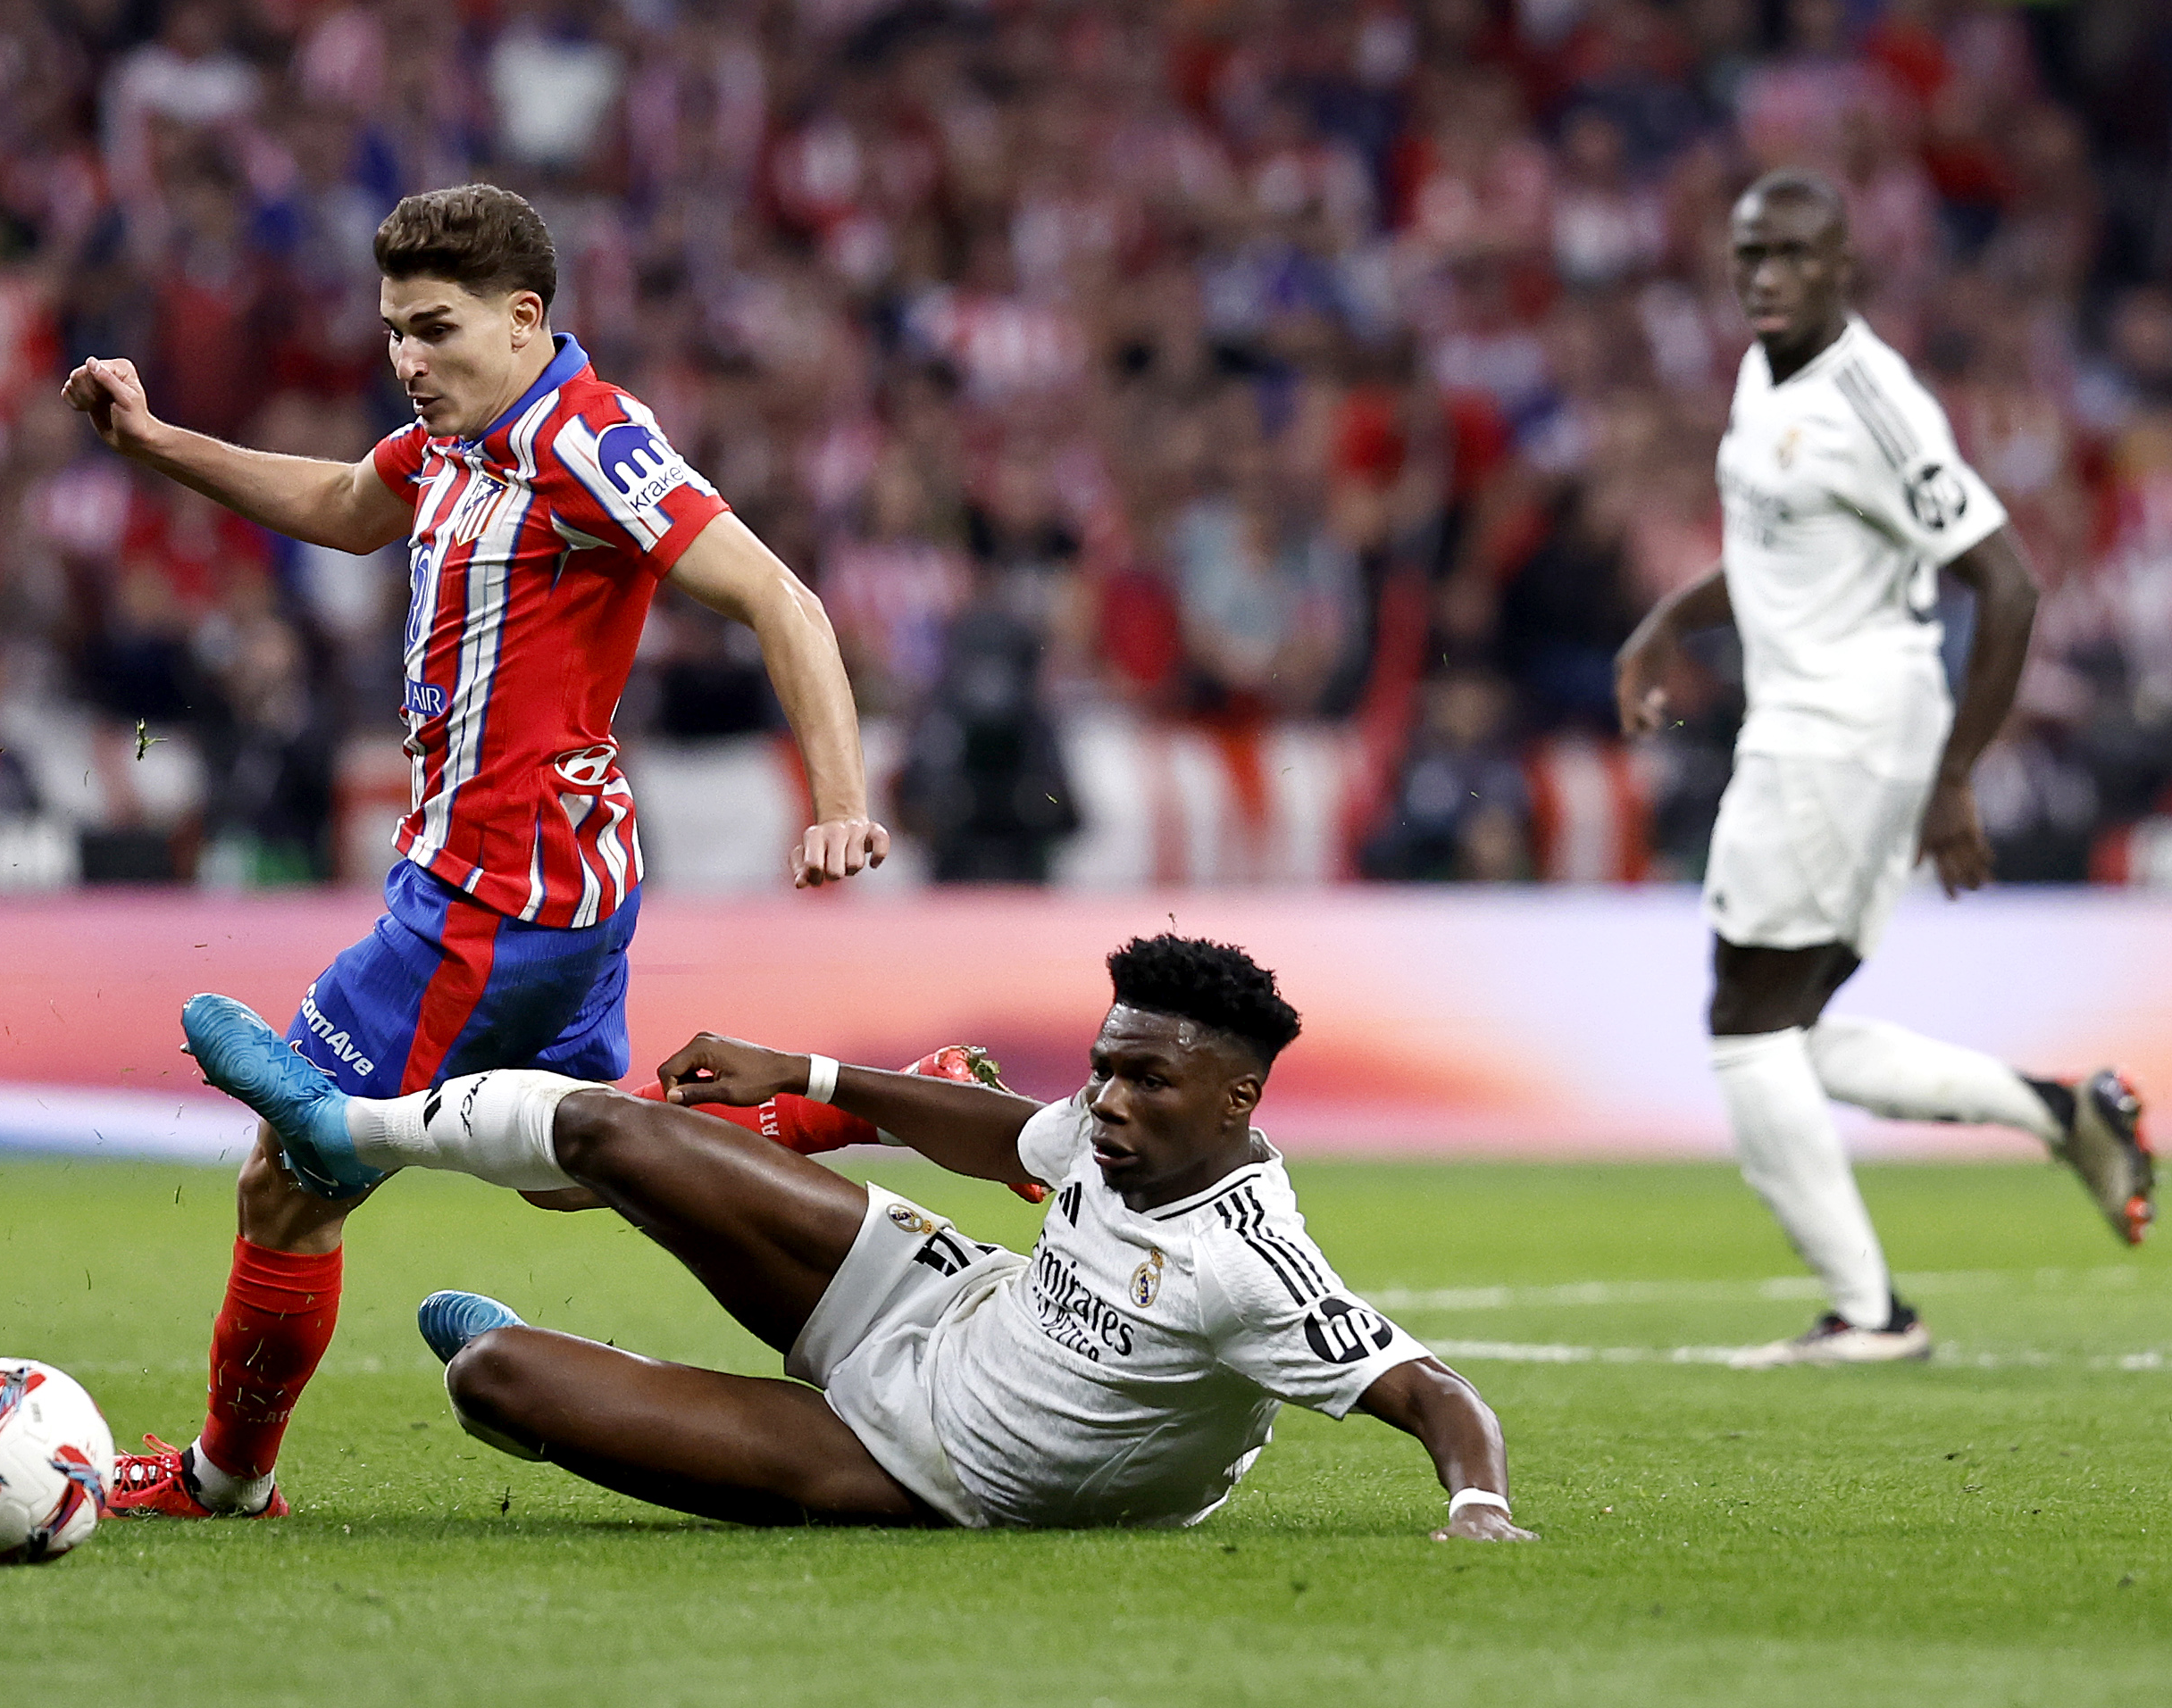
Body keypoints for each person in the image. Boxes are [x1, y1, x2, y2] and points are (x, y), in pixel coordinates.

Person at [65, 184, 887, 1520]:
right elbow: (342, 498)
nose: (407, 360)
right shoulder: (457, 437)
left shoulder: (592, 442)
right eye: (392, 330)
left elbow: (777, 596)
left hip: (481, 906)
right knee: (575, 1169)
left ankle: (226, 1478)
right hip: (559, 888)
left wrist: (838, 795)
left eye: (433, 330)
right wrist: (154, 441)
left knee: (291, 1177)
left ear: (522, 320)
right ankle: (861, 1104)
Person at [158, 935, 1532, 1538]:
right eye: (1104, 1066)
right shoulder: (1107, 1135)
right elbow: (1002, 1137)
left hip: (923, 1466)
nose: (1106, 1100)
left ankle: (551, 1369)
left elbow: (1431, 1392)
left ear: (1236, 1099)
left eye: (1144, 1082)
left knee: (491, 1385)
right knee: (614, 1137)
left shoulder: (1251, 1261)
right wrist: (808, 1074)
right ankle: (349, 1129)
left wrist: (1475, 1506)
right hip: (922, 1302)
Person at [1614, 169, 2153, 1371]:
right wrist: (1665, 620)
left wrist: (1956, 774)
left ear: (1843, 268)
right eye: (1747, 253)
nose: (1762, 275)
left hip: (1838, 731)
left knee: (1741, 1024)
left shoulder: (1873, 399)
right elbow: (1778, 553)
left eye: (1791, 255)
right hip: (1828, 722)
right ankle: (2066, 1110)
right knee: (1788, 1026)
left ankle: (1868, 1316)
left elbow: (2006, 581)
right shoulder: (1765, 374)